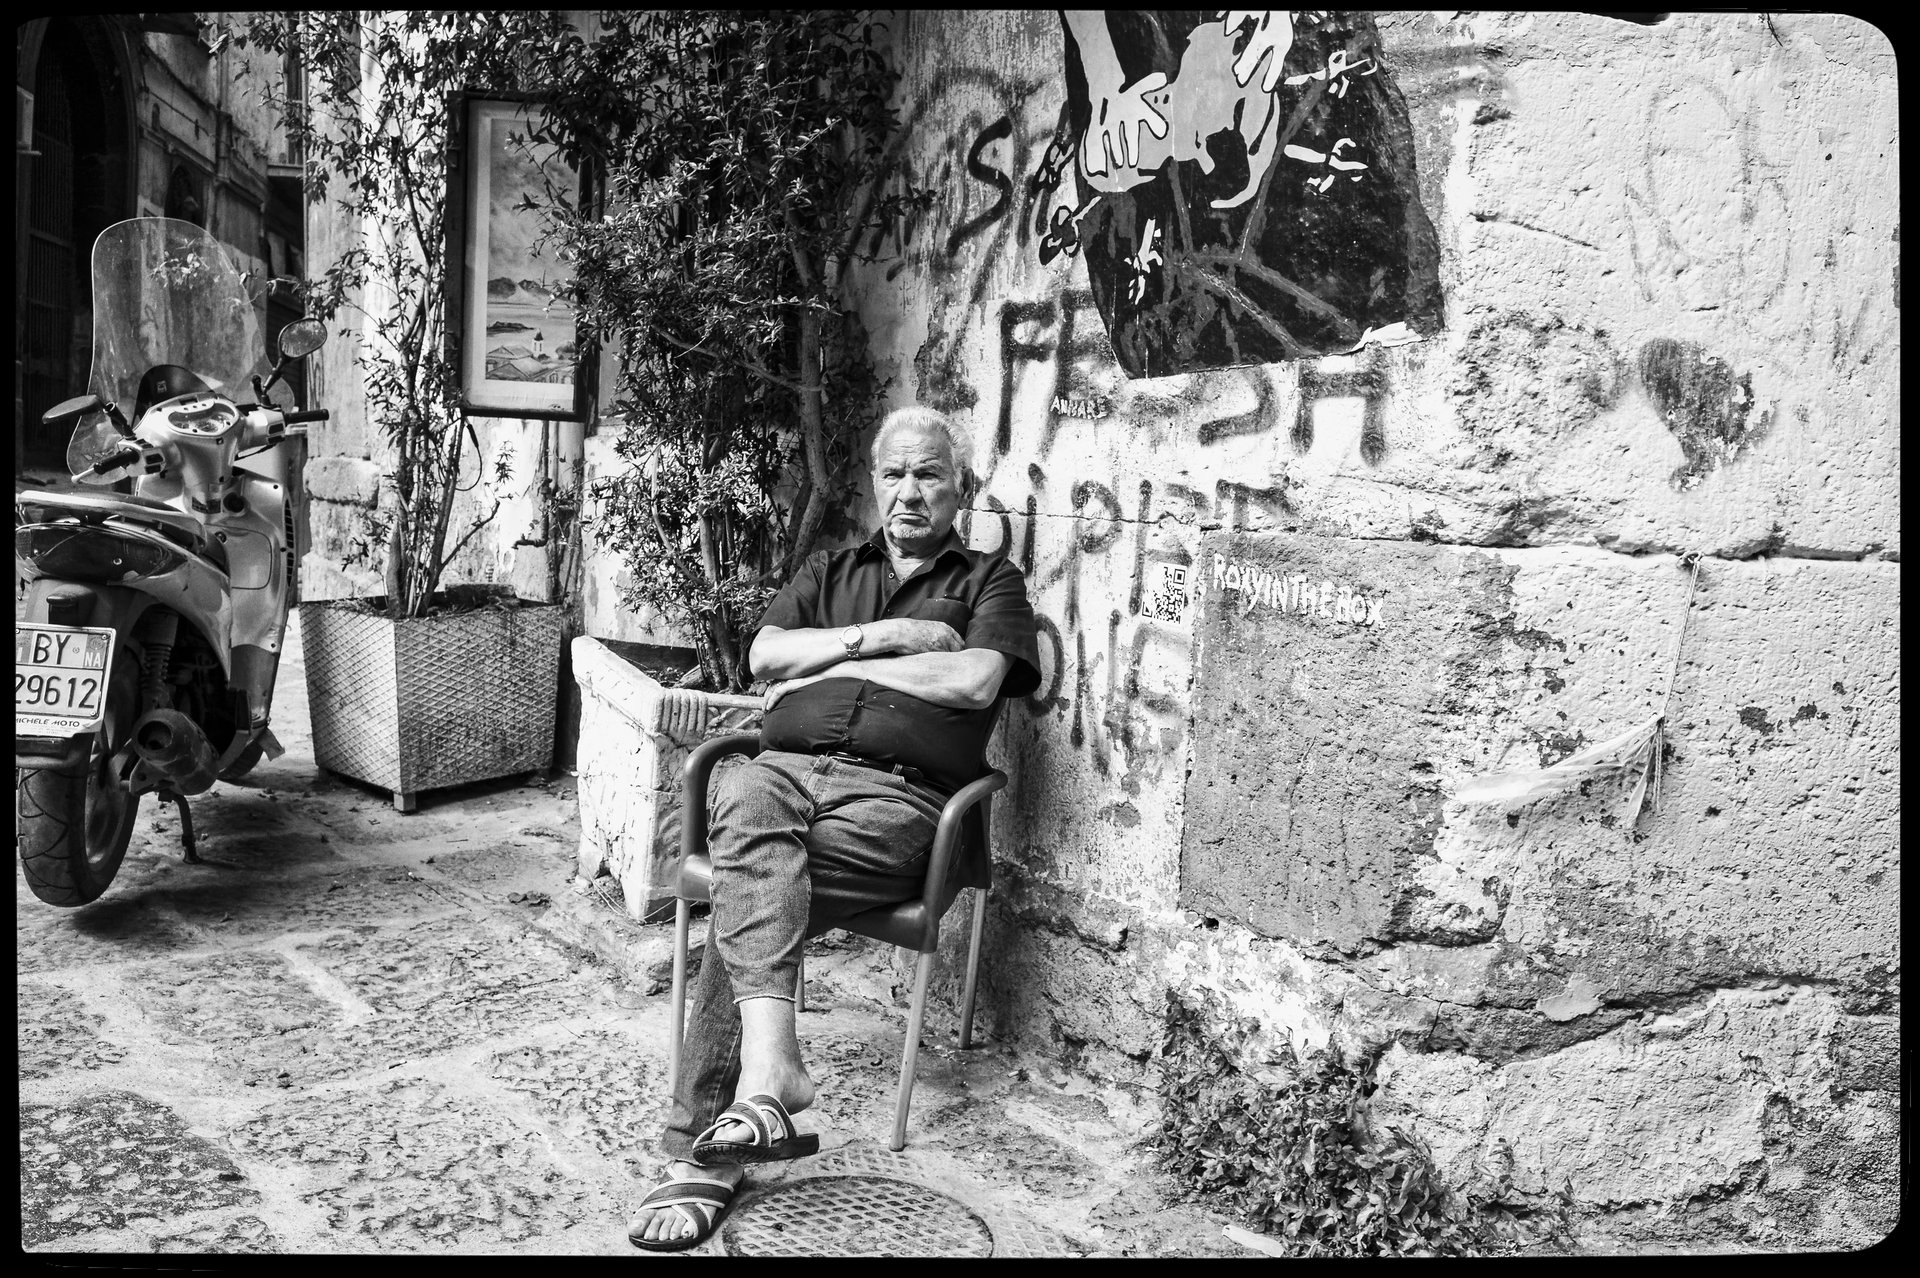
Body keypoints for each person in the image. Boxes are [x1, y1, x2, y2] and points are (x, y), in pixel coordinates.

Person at [627, 406, 1042, 1251]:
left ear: (961, 488)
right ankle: (768, 1078)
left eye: (929, 474)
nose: (909, 491)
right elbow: (765, 657)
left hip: (898, 801)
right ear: (875, 484)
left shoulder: (990, 582)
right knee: (745, 794)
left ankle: (701, 1152)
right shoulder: (830, 568)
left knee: (749, 884)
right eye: (894, 473)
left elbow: (973, 680)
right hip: (781, 776)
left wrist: (835, 664)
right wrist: (888, 639)